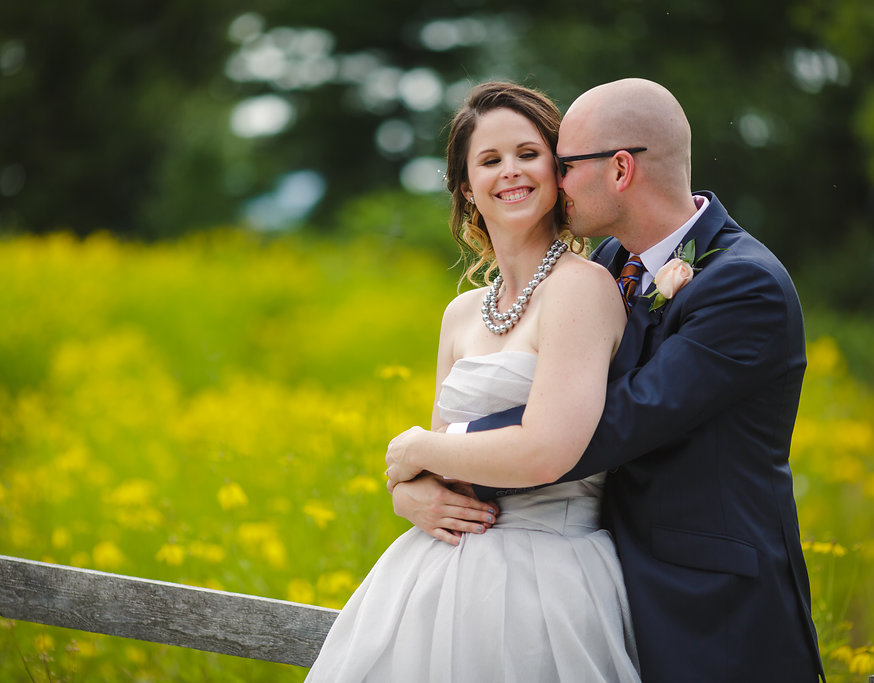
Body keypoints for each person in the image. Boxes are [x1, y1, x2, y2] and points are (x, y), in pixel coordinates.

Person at [386, 78, 826, 682]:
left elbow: (610, 424)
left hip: (712, 606)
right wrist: (415, 492)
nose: (553, 180)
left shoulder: (745, 287)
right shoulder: (612, 264)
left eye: (563, 164)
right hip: (605, 581)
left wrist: (426, 454)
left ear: (620, 169)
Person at [306, 82, 641, 682]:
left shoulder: (582, 288)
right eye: (489, 161)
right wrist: (408, 496)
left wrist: (409, 450)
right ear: (467, 190)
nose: (510, 171)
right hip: (436, 575)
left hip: (548, 577)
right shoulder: (460, 315)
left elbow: (546, 452)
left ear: (558, 171)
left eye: (528, 153)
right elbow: (445, 470)